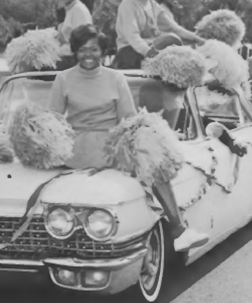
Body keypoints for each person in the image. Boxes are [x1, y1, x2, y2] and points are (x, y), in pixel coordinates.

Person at [49, 24, 209, 252]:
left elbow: (128, 119)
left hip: (112, 144)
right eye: (83, 49)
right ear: (75, 51)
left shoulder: (115, 78)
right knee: (150, 160)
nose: (88, 55)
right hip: (78, 148)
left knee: (154, 161)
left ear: (102, 51)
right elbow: (54, 120)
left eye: (94, 49)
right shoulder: (63, 79)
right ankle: (179, 229)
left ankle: (179, 231)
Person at [112, 0, 205, 69]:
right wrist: (151, 54)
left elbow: (175, 28)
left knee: (176, 41)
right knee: (172, 40)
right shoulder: (128, 3)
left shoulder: (152, 4)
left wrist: (199, 39)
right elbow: (133, 37)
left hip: (149, 50)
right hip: (130, 52)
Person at [53, 0, 93, 70]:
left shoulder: (79, 10)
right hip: (68, 58)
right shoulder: (69, 10)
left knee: (37, 67)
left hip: (77, 60)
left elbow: (81, 44)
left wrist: (55, 51)